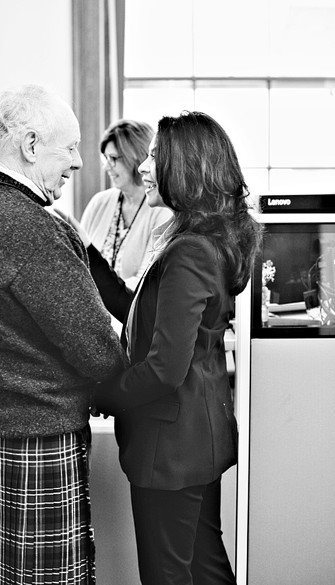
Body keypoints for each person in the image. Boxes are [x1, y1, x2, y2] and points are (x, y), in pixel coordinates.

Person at [0, 84, 128, 585]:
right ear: (32, 145)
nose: (80, 162)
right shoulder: (29, 226)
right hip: (33, 438)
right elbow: (96, 350)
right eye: (70, 147)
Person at [85, 111, 262, 585]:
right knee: (205, 566)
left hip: (171, 447)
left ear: (183, 167)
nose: (145, 166)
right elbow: (142, 314)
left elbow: (165, 368)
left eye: (157, 156)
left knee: (169, 575)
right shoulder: (203, 240)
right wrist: (85, 257)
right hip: (194, 439)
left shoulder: (189, 249)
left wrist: (102, 395)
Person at [80, 119, 172, 290]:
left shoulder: (162, 210)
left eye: (114, 158)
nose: (106, 166)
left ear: (137, 157)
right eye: (105, 158)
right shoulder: (99, 203)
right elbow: (80, 267)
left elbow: (145, 282)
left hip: (129, 312)